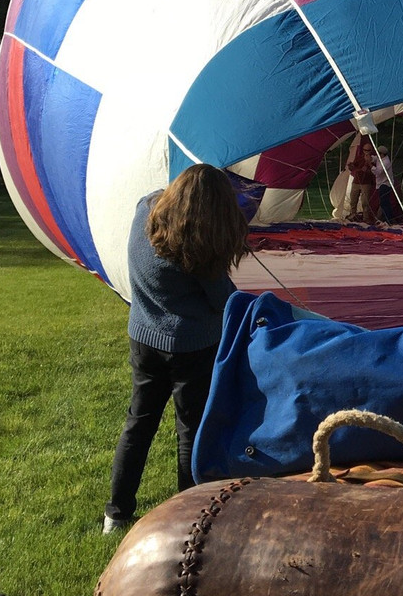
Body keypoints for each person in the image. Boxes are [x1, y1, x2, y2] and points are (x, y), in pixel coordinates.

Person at [103, 164, 248, 533]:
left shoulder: (144, 214)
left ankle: (116, 514)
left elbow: (156, 198)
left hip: (144, 339)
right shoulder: (196, 252)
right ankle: (188, 516)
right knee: (190, 429)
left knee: (138, 424)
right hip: (191, 348)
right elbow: (224, 302)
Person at [345, 141, 377, 224]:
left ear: (371, 150)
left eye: (368, 150)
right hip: (356, 181)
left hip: (366, 183)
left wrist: (368, 167)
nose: (366, 152)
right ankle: (353, 215)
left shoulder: (374, 159)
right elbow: (353, 168)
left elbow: (376, 172)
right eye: (365, 150)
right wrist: (351, 166)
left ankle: (366, 218)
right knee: (353, 200)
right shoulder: (359, 157)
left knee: (365, 202)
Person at [372, 144, 397, 224]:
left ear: (382, 154)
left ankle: (389, 219)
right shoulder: (380, 158)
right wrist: (369, 158)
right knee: (384, 203)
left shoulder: (386, 162)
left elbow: (378, 172)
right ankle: (388, 218)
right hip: (381, 183)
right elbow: (374, 158)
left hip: (385, 184)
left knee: (385, 203)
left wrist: (370, 165)